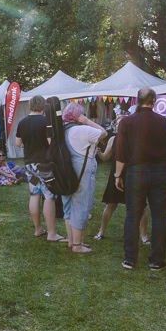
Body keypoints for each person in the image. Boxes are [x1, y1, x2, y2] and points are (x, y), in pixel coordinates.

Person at [115, 87, 166, 270]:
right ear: (153, 101)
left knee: (132, 215)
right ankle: (156, 261)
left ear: (137, 100)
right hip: (160, 172)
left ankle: (130, 258)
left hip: (136, 172)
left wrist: (117, 175)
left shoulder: (126, 123)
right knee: (159, 216)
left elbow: (120, 152)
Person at [16, 95, 64, 241]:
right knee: (49, 196)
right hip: (44, 164)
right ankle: (51, 233)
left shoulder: (22, 122)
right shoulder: (46, 121)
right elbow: (51, 142)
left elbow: (18, 143)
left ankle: (38, 229)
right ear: (43, 106)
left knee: (34, 195)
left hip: (29, 164)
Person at [61, 103, 106, 254]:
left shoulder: (62, 129)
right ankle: (77, 245)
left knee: (68, 205)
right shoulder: (83, 129)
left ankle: (71, 240)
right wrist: (86, 121)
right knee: (80, 204)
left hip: (65, 171)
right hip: (81, 170)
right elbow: (103, 133)